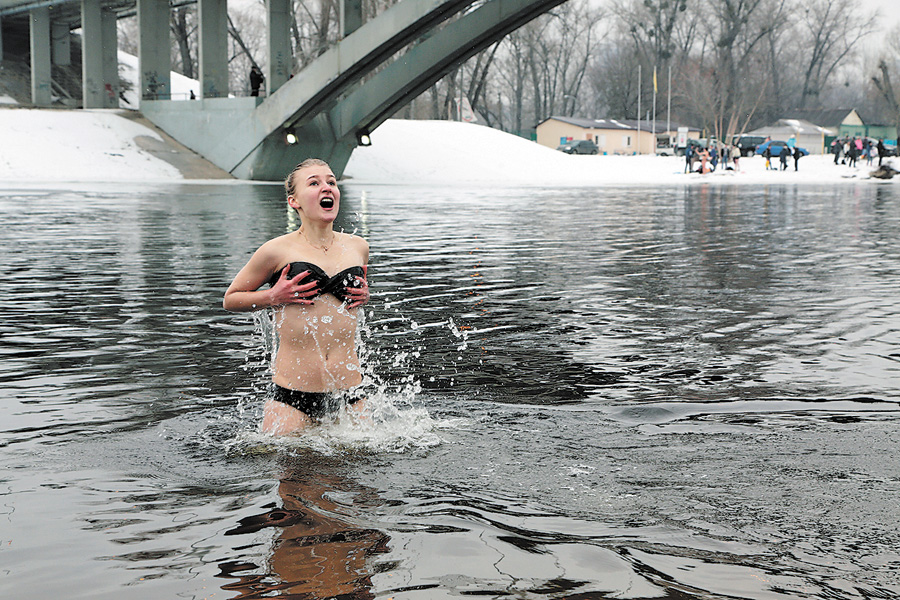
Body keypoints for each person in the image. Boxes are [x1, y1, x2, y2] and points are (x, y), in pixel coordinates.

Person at [223, 158, 370, 434]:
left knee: (360, 474)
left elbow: (347, 307)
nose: (326, 188)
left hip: (350, 393)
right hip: (293, 397)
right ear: (295, 201)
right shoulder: (276, 250)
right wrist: (273, 296)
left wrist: (365, 295)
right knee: (292, 473)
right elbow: (230, 299)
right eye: (314, 183)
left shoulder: (358, 247)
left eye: (331, 182)